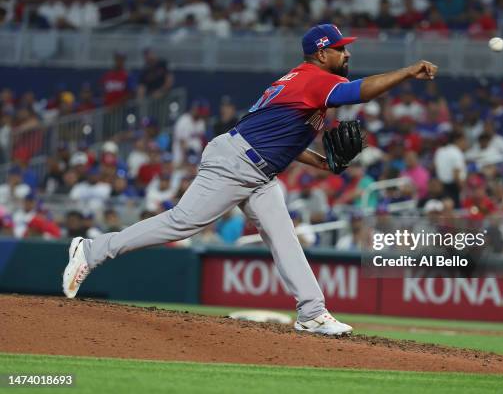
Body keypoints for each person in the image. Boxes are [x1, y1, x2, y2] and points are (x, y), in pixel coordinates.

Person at [62, 24, 438, 336]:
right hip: (237, 163)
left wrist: (321, 163)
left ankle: (312, 313)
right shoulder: (314, 78)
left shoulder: (304, 82)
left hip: (257, 167)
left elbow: (275, 136)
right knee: (182, 222)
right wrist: (406, 72)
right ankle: (92, 251)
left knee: (283, 235)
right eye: (340, 49)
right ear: (321, 54)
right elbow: (359, 92)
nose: (347, 54)